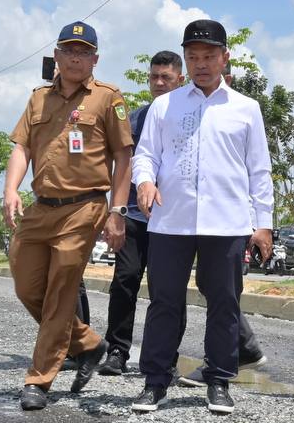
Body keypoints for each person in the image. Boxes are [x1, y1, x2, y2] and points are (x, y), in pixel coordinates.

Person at [131, 19, 274, 415]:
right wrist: (144, 182)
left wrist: (263, 223)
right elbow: (146, 155)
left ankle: (219, 380)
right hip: (169, 220)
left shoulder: (246, 109)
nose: (201, 64)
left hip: (226, 222)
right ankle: (155, 381)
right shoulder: (165, 105)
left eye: (209, 56)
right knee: (164, 302)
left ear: (225, 58)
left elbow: (259, 169)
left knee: (225, 303)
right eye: (193, 57)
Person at [95, 52, 265, 380]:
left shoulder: (200, 112)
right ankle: (119, 351)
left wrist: (260, 220)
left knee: (182, 290)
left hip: (176, 219)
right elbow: (127, 161)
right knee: (127, 279)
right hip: (136, 213)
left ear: (180, 80)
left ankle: (176, 360)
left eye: (166, 78)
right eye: (154, 78)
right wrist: (118, 207)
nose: (159, 84)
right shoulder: (140, 116)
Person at [3, 21, 133, 411]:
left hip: (85, 206)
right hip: (41, 206)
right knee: (27, 285)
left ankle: (39, 379)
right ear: (56, 56)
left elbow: (124, 156)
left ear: (95, 58)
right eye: (68, 50)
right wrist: (11, 189)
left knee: (61, 290)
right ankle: (90, 344)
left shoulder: (108, 98)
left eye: (84, 52)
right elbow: (22, 148)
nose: (75, 58)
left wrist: (117, 211)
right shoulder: (38, 99)